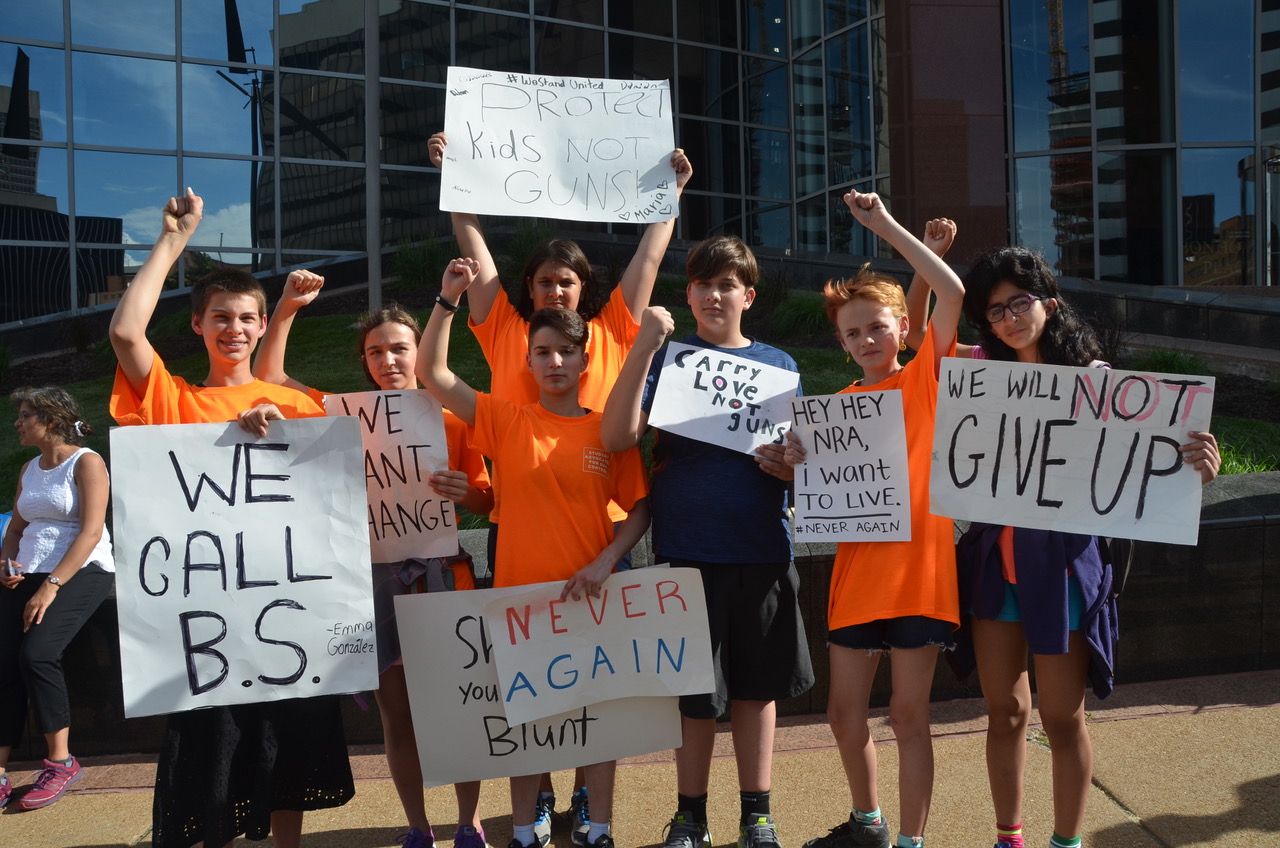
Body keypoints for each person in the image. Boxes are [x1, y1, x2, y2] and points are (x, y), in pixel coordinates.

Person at [428, 133, 691, 839]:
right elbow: (474, 256)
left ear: (583, 294)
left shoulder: (610, 332)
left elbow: (650, 256)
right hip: (523, 526)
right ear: (530, 294)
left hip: (599, 527)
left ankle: (589, 811)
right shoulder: (506, 333)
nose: (553, 290)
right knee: (533, 693)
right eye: (543, 281)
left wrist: (669, 195)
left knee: (595, 692)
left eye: (565, 281)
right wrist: (459, 179)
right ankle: (535, 808)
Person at [949, 246, 1221, 848]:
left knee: (1062, 718)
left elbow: (1154, 467)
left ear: (1048, 302)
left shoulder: (1101, 386)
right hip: (996, 569)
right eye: (995, 311)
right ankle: (1008, 838)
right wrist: (897, 231)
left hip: (1065, 571)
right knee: (1004, 713)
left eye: (1019, 302)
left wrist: (1197, 467)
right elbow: (930, 316)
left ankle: (1066, 842)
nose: (1010, 318)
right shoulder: (977, 375)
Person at [108, 189, 353, 848]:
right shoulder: (174, 402)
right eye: (221, 317)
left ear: (260, 323)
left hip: (286, 623)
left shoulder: (293, 403)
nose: (235, 329)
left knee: (285, 755)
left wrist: (277, 439)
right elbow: (127, 333)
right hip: (207, 635)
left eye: (248, 318)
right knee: (213, 766)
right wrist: (173, 240)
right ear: (198, 325)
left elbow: (340, 489)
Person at [417, 257, 652, 848]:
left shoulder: (609, 430)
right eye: (542, 353)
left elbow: (642, 509)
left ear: (585, 360)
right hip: (522, 600)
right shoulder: (503, 418)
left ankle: (597, 830)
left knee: (600, 724)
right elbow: (431, 372)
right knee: (530, 724)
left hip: (594, 597)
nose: (554, 363)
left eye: (566, 353)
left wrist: (605, 563)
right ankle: (524, 833)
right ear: (527, 360)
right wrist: (447, 300)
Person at [254, 272, 494, 848]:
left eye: (399, 348)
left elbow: (489, 499)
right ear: (364, 360)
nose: (388, 359)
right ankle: (418, 826)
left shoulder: (456, 416)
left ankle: (470, 822)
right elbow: (270, 379)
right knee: (398, 715)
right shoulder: (341, 419)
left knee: (459, 710)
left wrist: (469, 492)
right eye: (376, 351)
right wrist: (285, 310)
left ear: (419, 351)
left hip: (445, 581)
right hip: (374, 587)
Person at [600, 236, 815, 848]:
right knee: (695, 698)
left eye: (727, 285)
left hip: (762, 549)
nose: (714, 294)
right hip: (688, 552)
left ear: (748, 296)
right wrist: (645, 346)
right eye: (703, 283)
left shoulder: (780, 365)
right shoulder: (669, 360)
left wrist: (793, 465)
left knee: (756, 689)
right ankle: (689, 815)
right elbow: (618, 438)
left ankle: (758, 815)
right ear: (688, 292)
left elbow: (802, 458)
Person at [785, 191, 965, 848]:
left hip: (919, 575)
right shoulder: (833, 407)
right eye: (852, 332)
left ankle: (912, 841)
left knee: (909, 717)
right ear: (840, 341)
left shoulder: (922, 380)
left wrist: (888, 228)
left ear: (902, 330)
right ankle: (870, 825)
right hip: (857, 577)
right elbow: (817, 492)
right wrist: (791, 461)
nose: (865, 340)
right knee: (841, 714)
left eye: (877, 328)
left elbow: (951, 295)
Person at [0, 387, 115, 811]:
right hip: (23, 575)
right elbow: (15, 528)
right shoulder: (30, 468)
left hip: (80, 573)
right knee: (3, 665)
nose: (18, 422)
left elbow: (90, 531)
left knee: (37, 655)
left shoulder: (85, 462)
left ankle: (60, 762)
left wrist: (52, 584)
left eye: (26, 415)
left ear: (51, 420)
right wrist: (5, 563)